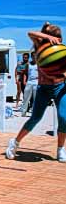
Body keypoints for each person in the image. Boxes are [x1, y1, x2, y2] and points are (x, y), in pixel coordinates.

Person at [6, 23, 66, 162]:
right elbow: (30, 33)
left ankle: (60, 149)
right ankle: (15, 142)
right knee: (35, 118)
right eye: (56, 36)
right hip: (43, 88)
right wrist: (47, 36)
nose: (58, 39)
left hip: (60, 86)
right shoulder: (40, 47)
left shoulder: (60, 50)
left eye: (59, 37)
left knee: (64, 118)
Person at [20, 52, 38, 117]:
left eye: (35, 56)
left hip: (36, 82)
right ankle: (23, 112)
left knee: (35, 98)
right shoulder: (28, 64)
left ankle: (34, 112)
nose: (34, 57)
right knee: (26, 97)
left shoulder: (39, 64)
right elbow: (25, 73)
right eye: (33, 56)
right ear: (31, 57)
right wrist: (24, 81)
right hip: (29, 82)